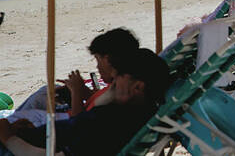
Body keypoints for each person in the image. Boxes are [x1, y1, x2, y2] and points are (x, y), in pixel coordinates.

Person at [0, 47, 170, 156]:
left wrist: (9, 138)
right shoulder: (132, 113)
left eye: (119, 76)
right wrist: (28, 133)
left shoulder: (111, 124)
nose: (113, 80)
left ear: (138, 87)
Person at [8, 28, 140, 128]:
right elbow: (97, 102)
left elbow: (79, 123)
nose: (97, 67)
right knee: (48, 90)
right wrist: (83, 91)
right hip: (78, 116)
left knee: (15, 121)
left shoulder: (120, 93)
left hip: (72, 123)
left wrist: (76, 92)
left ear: (107, 60)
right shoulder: (120, 84)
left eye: (98, 60)